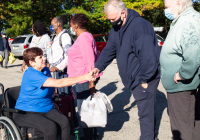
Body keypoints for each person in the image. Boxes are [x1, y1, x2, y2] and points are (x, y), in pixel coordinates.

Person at [90, 0, 160, 140]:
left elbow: (148, 55)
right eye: (109, 19)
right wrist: (99, 66)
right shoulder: (117, 28)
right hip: (135, 78)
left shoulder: (140, 26)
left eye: (113, 19)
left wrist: (144, 79)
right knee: (145, 112)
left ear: (123, 13)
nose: (111, 22)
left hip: (144, 78)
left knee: (145, 115)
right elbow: (110, 49)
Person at [13, 47, 94, 140]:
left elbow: (51, 89)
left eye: (43, 56)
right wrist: (85, 77)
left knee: (65, 122)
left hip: (45, 107)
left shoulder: (45, 70)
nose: (44, 58)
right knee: (50, 127)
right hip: (26, 112)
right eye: (40, 57)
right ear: (32, 62)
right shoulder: (31, 74)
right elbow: (59, 83)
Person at [160, 0, 200, 139]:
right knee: (191, 126)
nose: (165, 10)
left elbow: (193, 51)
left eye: (166, 6)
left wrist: (184, 74)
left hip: (181, 85)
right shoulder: (183, 19)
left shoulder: (187, 21)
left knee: (182, 129)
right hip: (181, 84)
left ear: (178, 3)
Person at [68, 13, 102, 140]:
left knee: (84, 111)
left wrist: (91, 83)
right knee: (87, 109)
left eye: (71, 25)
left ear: (76, 25)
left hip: (84, 79)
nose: (71, 28)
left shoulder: (83, 38)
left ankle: (88, 137)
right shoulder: (85, 37)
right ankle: (92, 135)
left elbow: (90, 62)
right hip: (82, 78)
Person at [49, 16, 72, 94]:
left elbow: (69, 55)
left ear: (57, 24)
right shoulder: (56, 37)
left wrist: (58, 67)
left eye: (52, 25)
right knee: (59, 93)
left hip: (63, 71)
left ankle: (69, 106)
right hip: (57, 70)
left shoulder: (65, 36)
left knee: (65, 94)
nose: (51, 27)